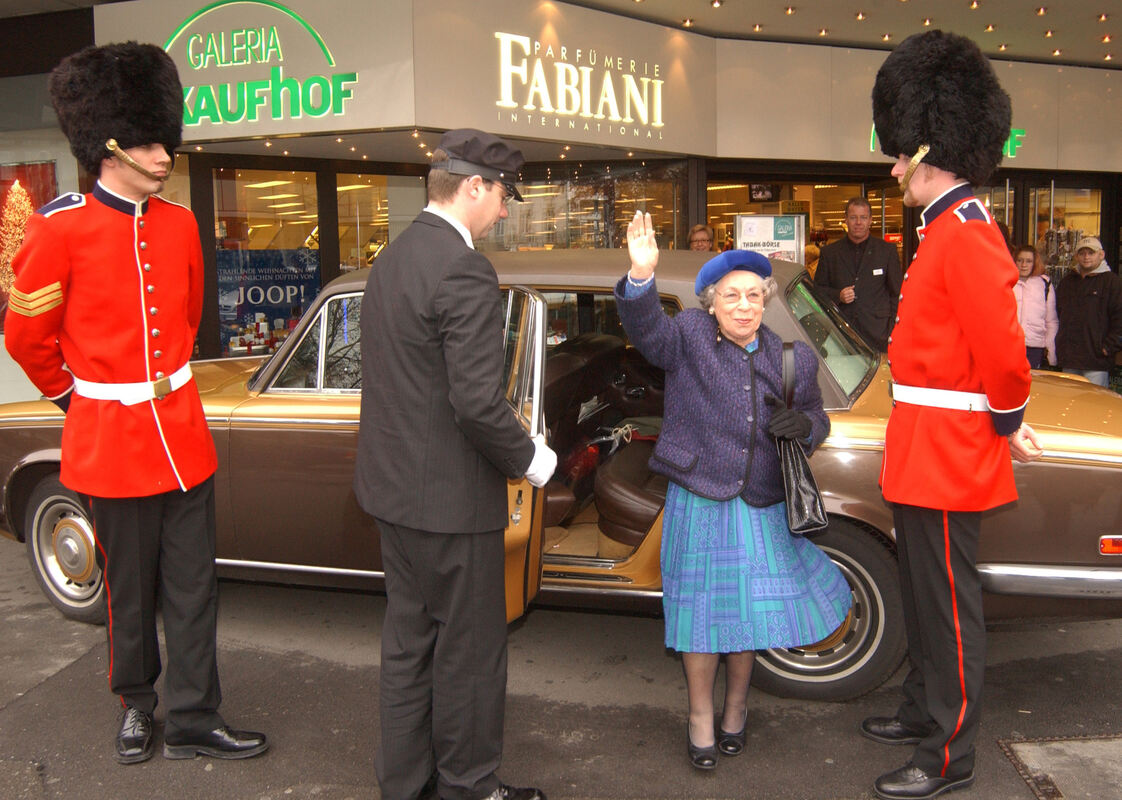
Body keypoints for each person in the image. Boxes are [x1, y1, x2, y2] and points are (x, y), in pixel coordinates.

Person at [4, 43, 267, 764]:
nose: (163, 155)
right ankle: (136, 704)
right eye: (150, 143)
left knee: (194, 588)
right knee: (129, 591)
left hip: (180, 435)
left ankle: (193, 715)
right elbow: (26, 337)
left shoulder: (179, 224)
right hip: (110, 438)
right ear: (109, 147)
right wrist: (77, 400)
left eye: (164, 140)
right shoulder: (59, 227)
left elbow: (182, 321)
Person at [866, 30, 1044, 800]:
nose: (894, 166)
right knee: (920, 595)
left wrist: (1008, 421)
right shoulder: (942, 226)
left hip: (949, 448)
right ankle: (919, 710)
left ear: (930, 144)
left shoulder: (966, 232)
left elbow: (1004, 357)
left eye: (902, 153)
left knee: (948, 608)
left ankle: (949, 755)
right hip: (921, 440)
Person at [353, 128, 557, 800]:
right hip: (450, 501)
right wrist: (533, 459)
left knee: (408, 645)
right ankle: (469, 787)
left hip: (393, 495)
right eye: (502, 197)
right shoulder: (464, 268)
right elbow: (475, 403)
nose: (504, 211)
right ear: (475, 186)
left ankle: (405, 782)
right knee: (469, 655)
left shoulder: (394, 256)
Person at [616, 213, 852, 772]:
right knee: (700, 617)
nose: (743, 305)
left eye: (753, 295)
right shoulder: (688, 337)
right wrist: (641, 275)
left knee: (743, 617)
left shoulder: (789, 355)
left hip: (761, 501)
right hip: (700, 497)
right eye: (731, 295)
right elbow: (646, 331)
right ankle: (700, 714)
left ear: (765, 300)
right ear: (711, 301)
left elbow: (816, 416)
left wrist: (807, 428)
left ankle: (737, 708)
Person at [813, 197, 903, 351]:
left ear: (870, 221)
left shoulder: (887, 251)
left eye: (863, 217)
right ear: (846, 220)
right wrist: (838, 296)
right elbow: (817, 290)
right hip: (841, 336)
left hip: (879, 335)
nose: (858, 222)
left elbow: (898, 294)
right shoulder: (830, 253)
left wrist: (893, 329)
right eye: (853, 217)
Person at [1054, 236, 1122, 387]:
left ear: (1101, 255)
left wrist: (1107, 347)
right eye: (1082, 253)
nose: (1086, 257)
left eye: (1091, 253)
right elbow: (1058, 314)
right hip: (1070, 358)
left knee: (1093, 407)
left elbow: (1119, 318)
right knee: (1068, 404)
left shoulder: (1112, 282)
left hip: (1096, 361)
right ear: (1076, 256)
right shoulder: (1067, 282)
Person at [1012, 244, 1058, 369]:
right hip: (1009, 345)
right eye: (1020, 260)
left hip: (1035, 347)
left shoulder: (1044, 285)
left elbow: (1051, 321)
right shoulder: (1007, 283)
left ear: (1035, 263)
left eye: (1028, 261)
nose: (1024, 265)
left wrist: (1050, 350)